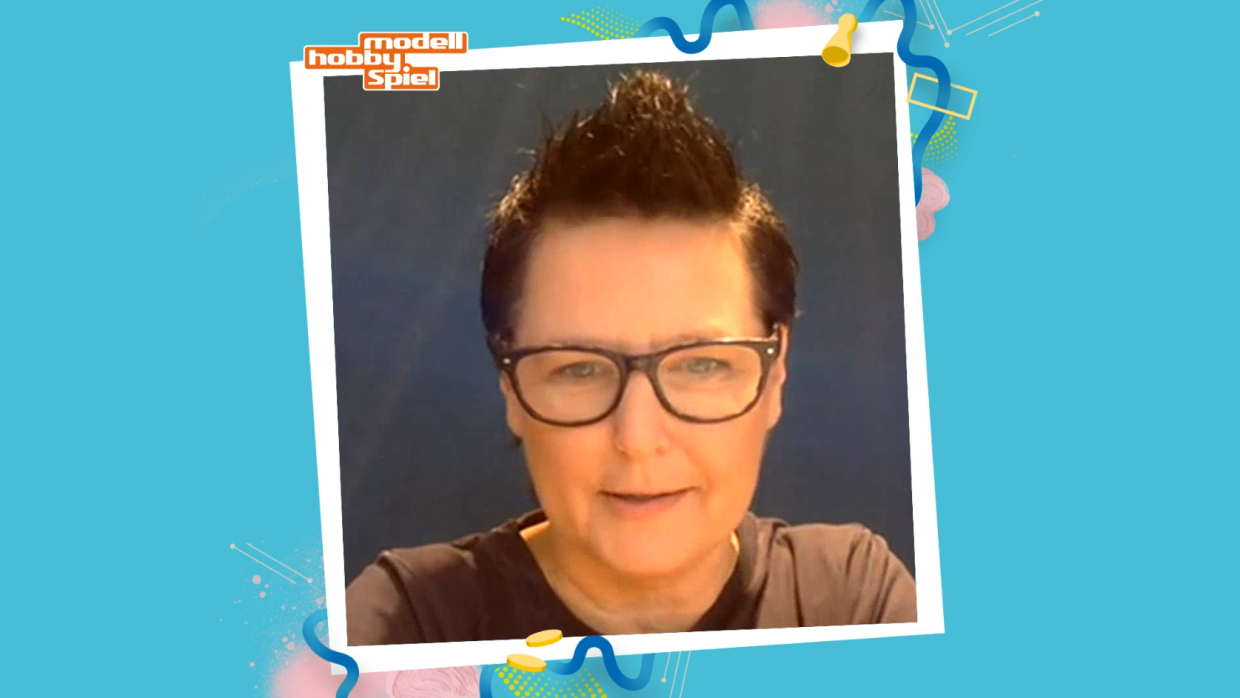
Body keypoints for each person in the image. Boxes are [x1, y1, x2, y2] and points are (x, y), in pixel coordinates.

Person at [346, 70, 916, 645]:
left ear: (775, 376)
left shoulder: (851, 600)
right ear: (509, 387)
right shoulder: (406, 623)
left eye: (701, 365)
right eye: (579, 369)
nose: (638, 438)